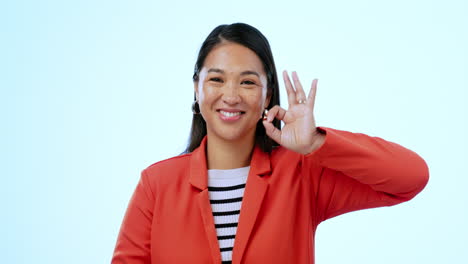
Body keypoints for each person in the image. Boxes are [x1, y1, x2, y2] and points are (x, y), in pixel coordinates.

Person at [111, 23, 429, 264]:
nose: (231, 96)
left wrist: (316, 143)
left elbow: (410, 177)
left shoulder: (300, 174)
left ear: (268, 92)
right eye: (216, 79)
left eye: (248, 81)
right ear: (196, 87)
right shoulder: (157, 184)